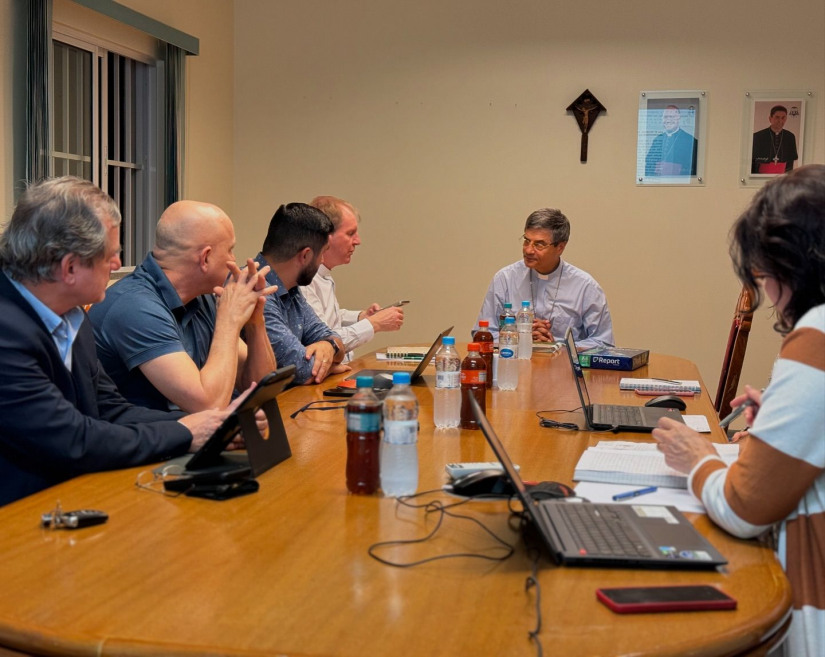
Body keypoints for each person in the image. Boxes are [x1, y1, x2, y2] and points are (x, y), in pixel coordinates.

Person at [653, 164, 825, 656]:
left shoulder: (816, 337)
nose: (767, 293)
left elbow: (744, 507)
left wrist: (696, 457)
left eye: (765, 275)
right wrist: (783, 416)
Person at [0, 177, 239, 506]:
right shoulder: (6, 332)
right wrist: (186, 433)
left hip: (66, 497)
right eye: (109, 256)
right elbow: (73, 439)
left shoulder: (74, 316)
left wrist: (216, 426)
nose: (117, 265)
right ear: (70, 267)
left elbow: (109, 410)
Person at [88, 201, 277, 412]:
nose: (235, 259)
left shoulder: (202, 297)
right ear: (205, 258)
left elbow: (260, 385)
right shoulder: (135, 306)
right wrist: (230, 320)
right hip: (141, 439)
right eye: (230, 250)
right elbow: (207, 404)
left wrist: (255, 321)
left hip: (188, 435)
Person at [476, 208, 614, 349]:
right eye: (526, 241)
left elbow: (603, 342)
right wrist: (518, 337)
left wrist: (559, 346)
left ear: (560, 247)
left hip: (564, 368)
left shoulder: (585, 286)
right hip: (514, 366)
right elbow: (482, 334)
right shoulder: (505, 279)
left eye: (539, 244)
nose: (529, 250)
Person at [299, 196, 404, 361]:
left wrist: (361, 317)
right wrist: (374, 324)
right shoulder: (304, 281)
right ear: (325, 236)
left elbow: (328, 319)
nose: (358, 241)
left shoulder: (324, 275)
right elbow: (325, 342)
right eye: (350, 233)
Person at [255, 203, 345, 384]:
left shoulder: (291, 289)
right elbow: (304, 370)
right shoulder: (257, 289)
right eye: (322, 254)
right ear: (305, 256)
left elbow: (335, 340)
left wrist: (329, 345)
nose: (321, 261)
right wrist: (331, 365)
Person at [644, 105, 698, 177]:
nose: (668, 120)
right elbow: (649, 163)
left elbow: (692, 168)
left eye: (672, 117)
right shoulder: (657, 139)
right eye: (665, 117)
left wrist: (670, 168)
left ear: (679, 118)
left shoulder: (690, 140)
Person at [751, 104, 799, 174]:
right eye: (777, 117)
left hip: (782, 175)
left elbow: (790, 163)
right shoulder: (758, 136)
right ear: (770, 118)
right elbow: (753, 162)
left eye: (783, 118)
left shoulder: (790, 136)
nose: (780, 121)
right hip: (761, 174)